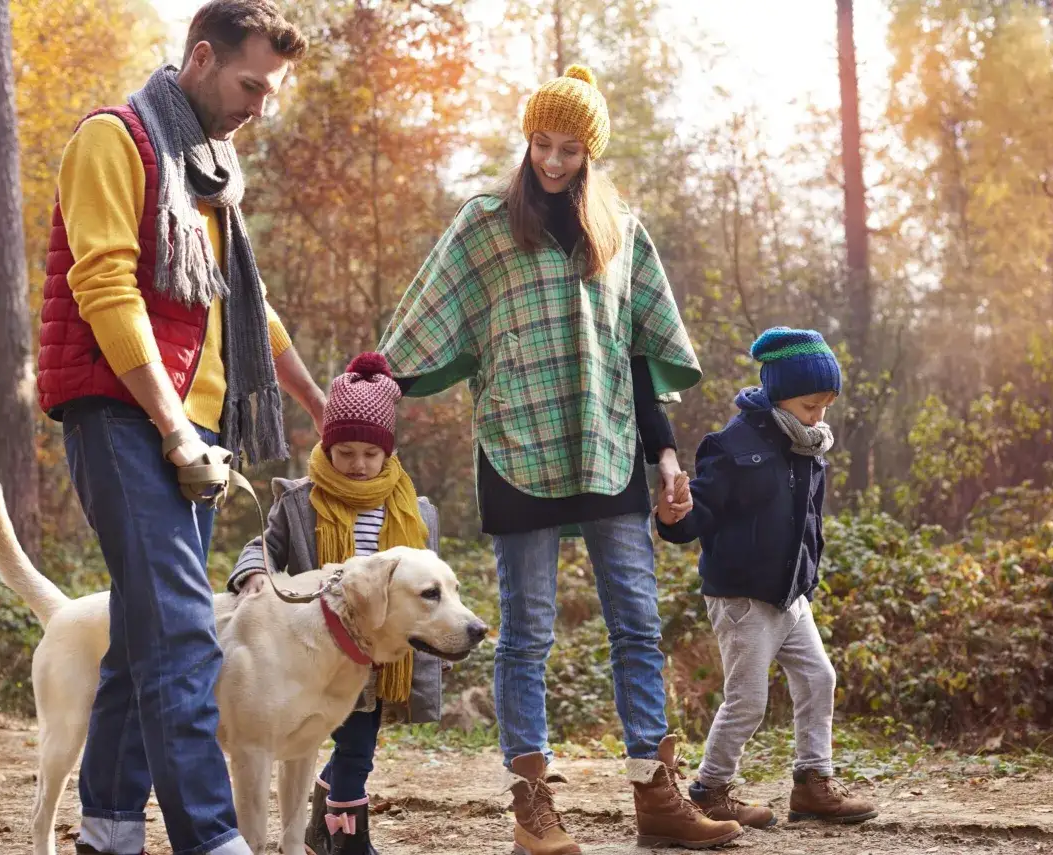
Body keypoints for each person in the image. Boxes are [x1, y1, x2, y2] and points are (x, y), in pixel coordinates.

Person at [377, 64, 743, 854]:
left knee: (637, 625)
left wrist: (667, 457)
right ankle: (531, 804)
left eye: (568, 148)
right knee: (527, 632)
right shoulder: (485, 223)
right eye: (540, 143)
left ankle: (655, 790)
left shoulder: (620, 230)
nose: (550, 160)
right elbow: (422, 324)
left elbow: (639, 355)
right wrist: (367, 391)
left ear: (591, 151)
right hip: (516, 446)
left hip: (607, 442)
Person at [35, 3, 326, 853]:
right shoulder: (113, 140)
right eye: (250, 86)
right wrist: (172, 425)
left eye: (271, 92)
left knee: (141, 634)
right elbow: (106, 288)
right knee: (184, 634)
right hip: (123, 413)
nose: (259, 107)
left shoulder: (208, 173)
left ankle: (111, 829)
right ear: (201, 57)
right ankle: (212, 837)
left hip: (197, 428)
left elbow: (248, 305)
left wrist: (314, 400)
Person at [655, 327, 879, 826]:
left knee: (819, 677)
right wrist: (675, 518)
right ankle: (711, 788)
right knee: (748, 701)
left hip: (790, 594)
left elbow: (808, 523)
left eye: (826, 406)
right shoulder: (732, 446)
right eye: (809, 405)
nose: (818, 417)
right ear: (778, 394)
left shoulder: (809, 447)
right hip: (742, 596)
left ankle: (812, 785)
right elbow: (699, 512)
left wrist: (808, 574)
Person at [227, 353, 442, 855]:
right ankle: (330, 827)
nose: (358, 465)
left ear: (387, 454)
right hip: (314, 651)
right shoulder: (301, 503)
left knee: (357, 747)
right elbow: (262, 545)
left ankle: (341, 829)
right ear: (328, 445)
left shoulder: (416, 512)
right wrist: (254, 572)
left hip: (377, 647)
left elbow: (429, 583)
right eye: (345, 452)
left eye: (370, 453)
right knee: (313, 739)